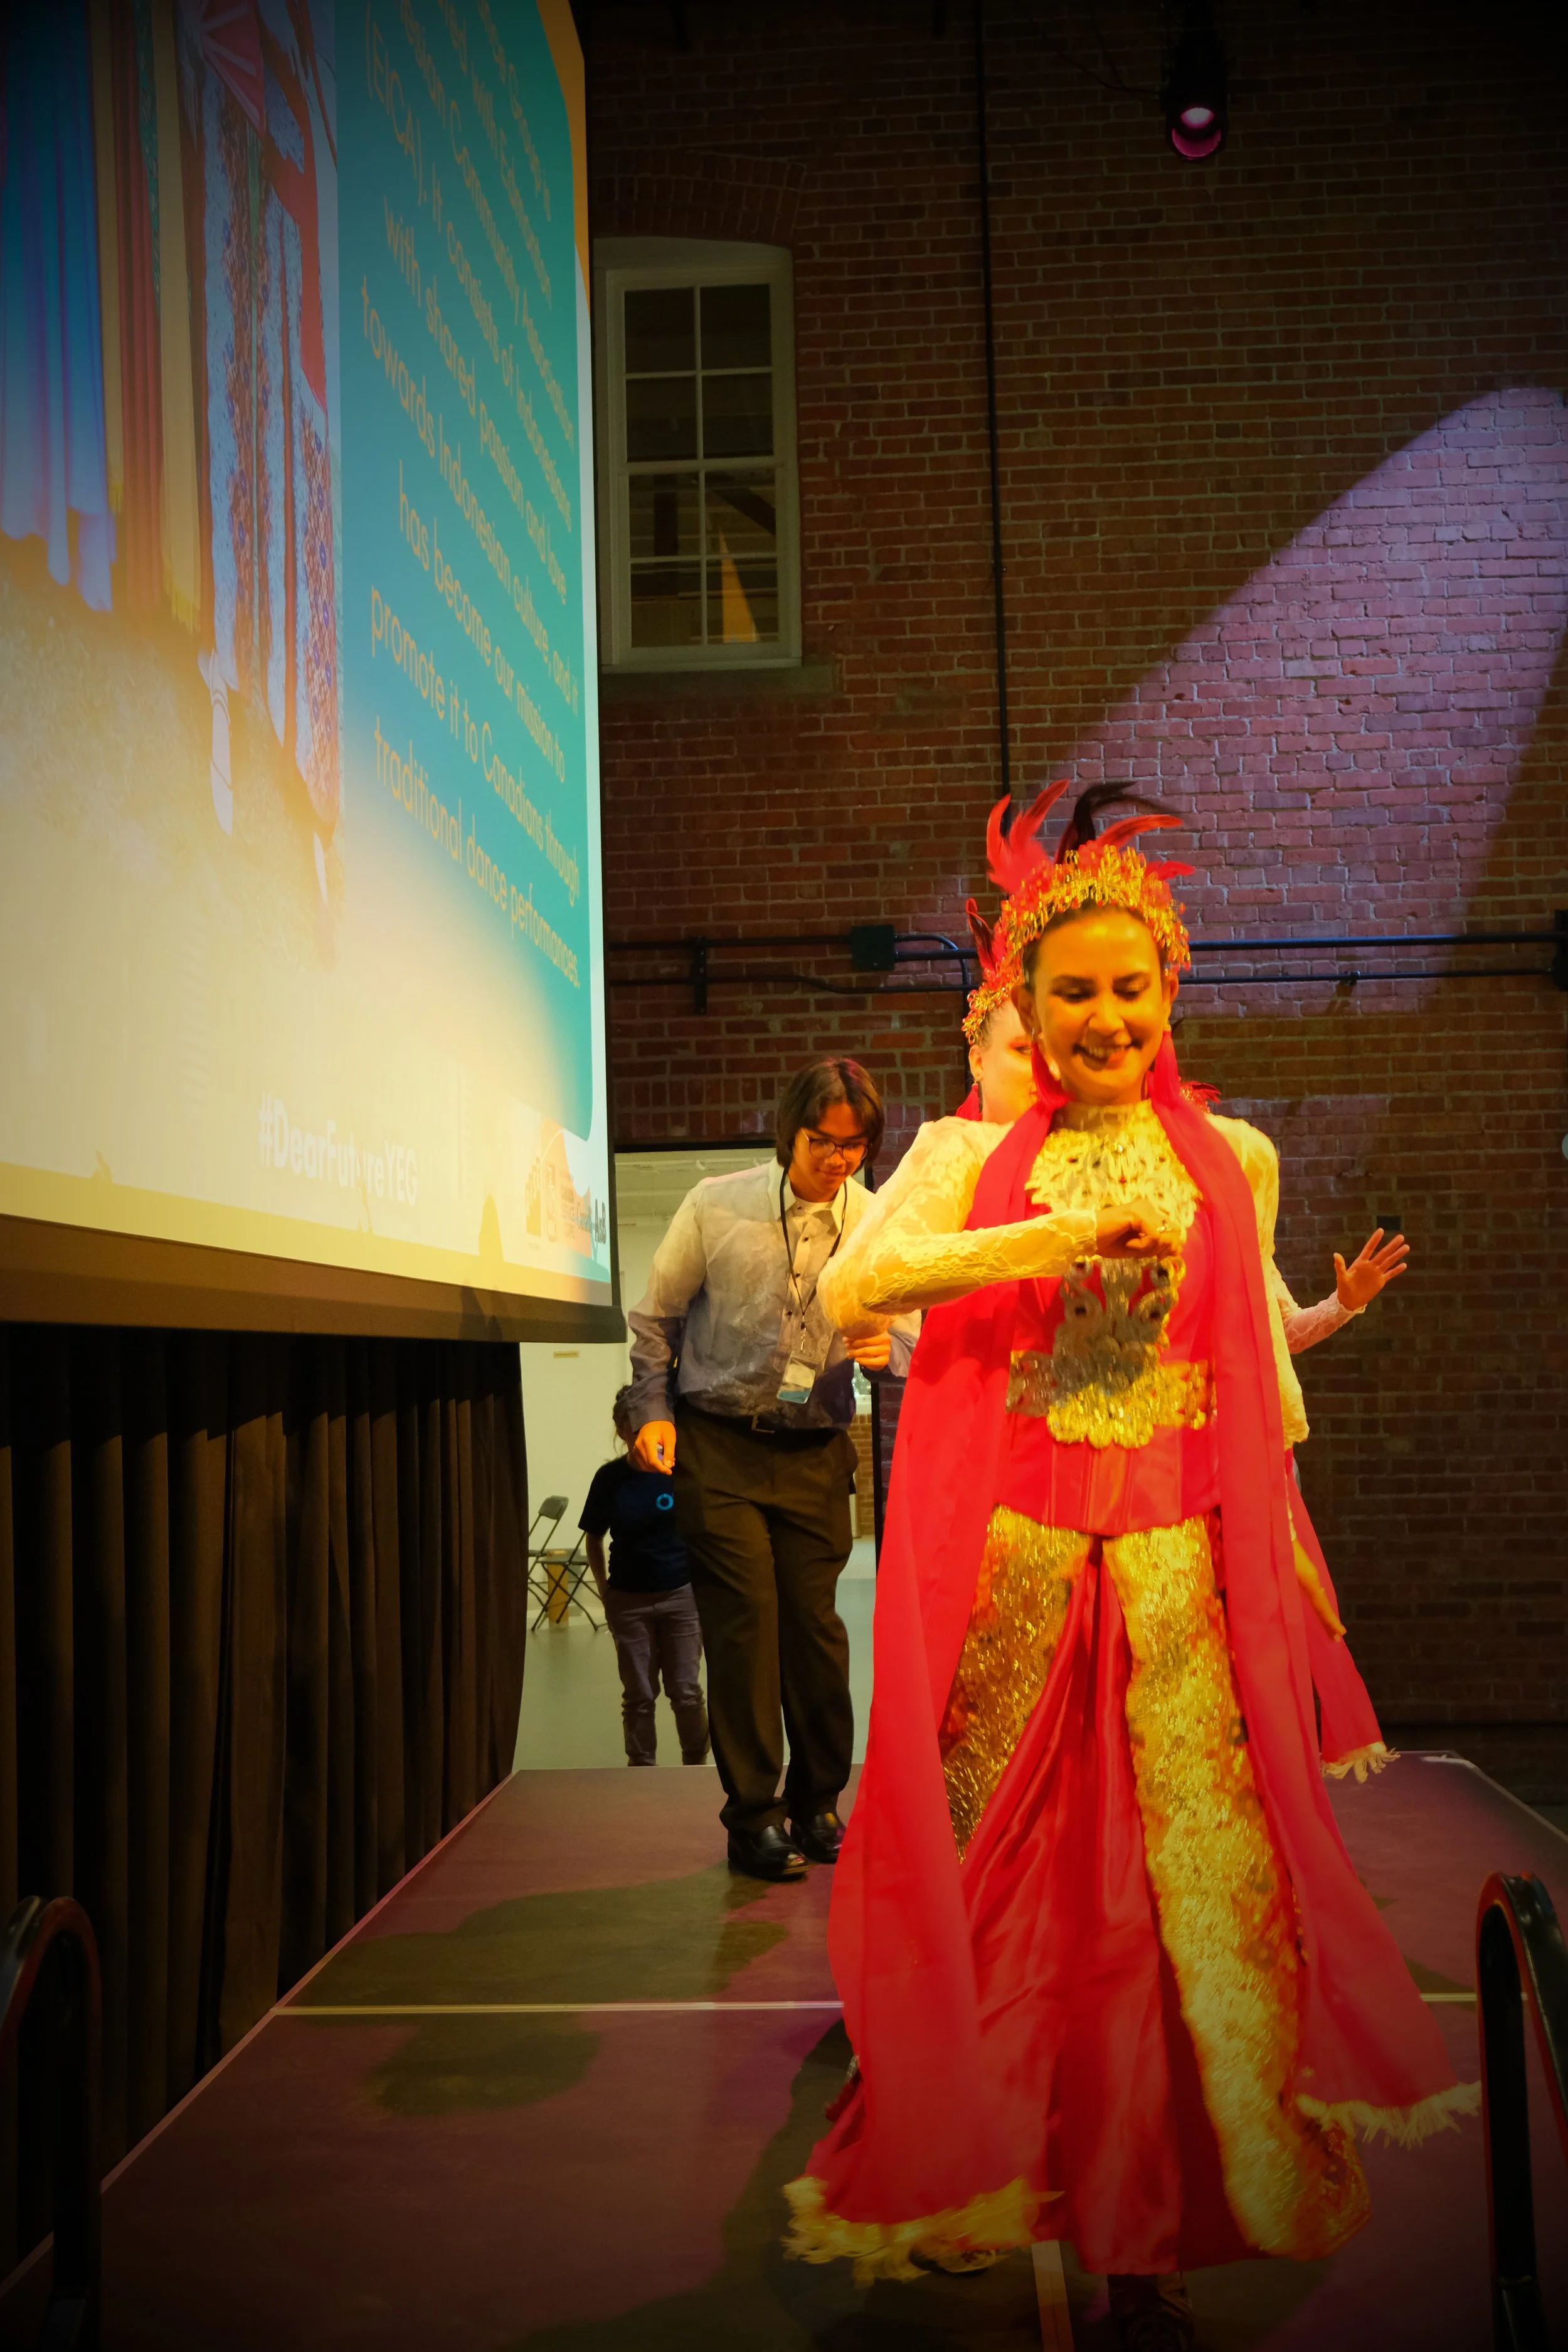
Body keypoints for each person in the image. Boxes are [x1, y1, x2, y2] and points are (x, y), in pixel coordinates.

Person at [781, 787, 1472, 2348]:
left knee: (1183, 1909)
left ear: (1169, 996)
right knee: (998, 1882)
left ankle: (1151, 2239)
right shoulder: (970, 1152)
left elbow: (1258, 1387)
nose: (1102, 1014)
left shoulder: (1233, 1151)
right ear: (1025, 1006)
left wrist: (1286, 1576)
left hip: (1174, 1588)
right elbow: (859, 1288)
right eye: (1071, 990)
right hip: (1018, 1582)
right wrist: (1040, 1245)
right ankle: (982, 2166)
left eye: (1129, 986)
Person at [626, 1059, 919, 1883]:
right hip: (717, 1441)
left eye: (854, 1144)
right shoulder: (715, 1205)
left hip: (816, 1449)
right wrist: (652, 1413)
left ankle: (817, 1802)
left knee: (815, 1632)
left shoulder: (876, 1219)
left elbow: (912, 1333)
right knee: (746, 1626)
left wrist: (886, 1343)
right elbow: (655, 1319)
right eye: (822, 1141)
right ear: (789, 1130)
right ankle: (752, 1817)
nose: (838, 1158)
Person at [580, 1387, 710, 1768]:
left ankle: (695, 1764)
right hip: (628, 1601)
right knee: (638, 1694)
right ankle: (641, 1768)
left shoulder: (680, 1469)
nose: (642, 1433)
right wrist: (605, 1591)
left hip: (681, 1597)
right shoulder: (609, 1478)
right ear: (622, 1430)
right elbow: (593, 1537)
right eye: (633, 1426)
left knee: (685, 1691)